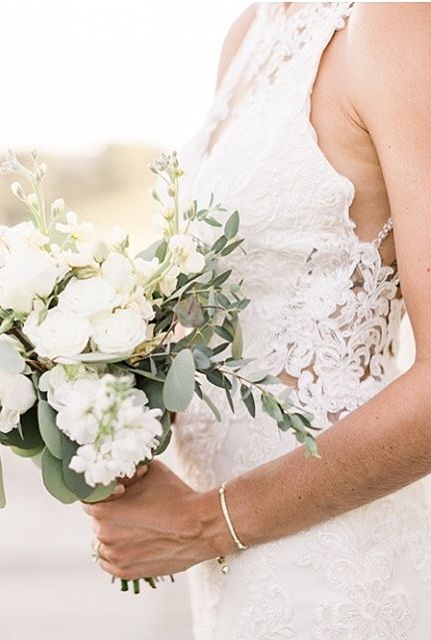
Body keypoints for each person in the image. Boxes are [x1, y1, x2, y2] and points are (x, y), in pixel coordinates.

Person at [81, 3, 431, 637]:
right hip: (229, 568)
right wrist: (97, 404)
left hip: (335, 563)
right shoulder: (249, 33)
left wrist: (206, 522)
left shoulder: (395, 24)